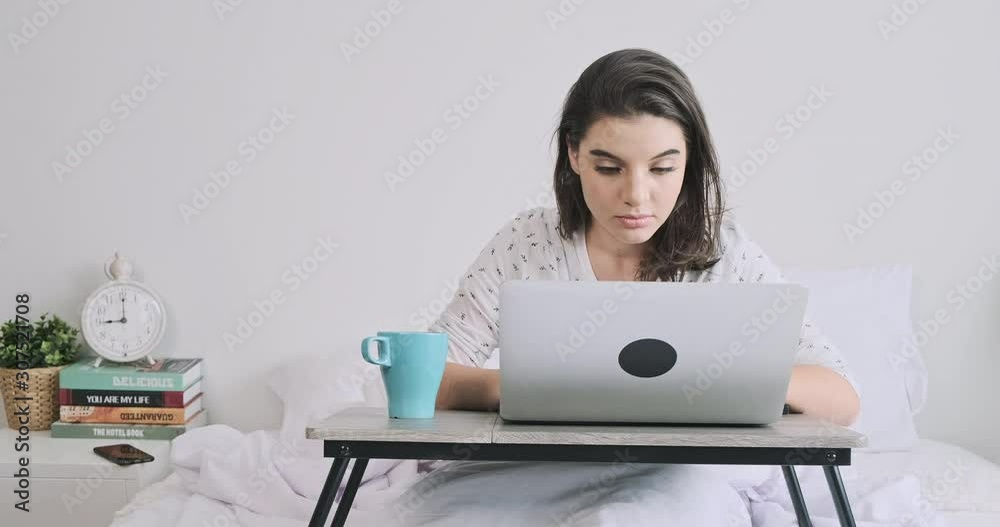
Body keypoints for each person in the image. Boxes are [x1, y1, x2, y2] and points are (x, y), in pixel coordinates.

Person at [429, 47, 861, 427]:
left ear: (688, 162)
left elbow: (842, 398)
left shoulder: (723, 252)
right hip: (538, 467)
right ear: (574, 154)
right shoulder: (528, 242)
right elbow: (423, 380)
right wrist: (525, 388)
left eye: (661, 169)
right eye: (609, 168)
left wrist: (726, 378)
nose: (636, 196)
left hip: (673, 476)